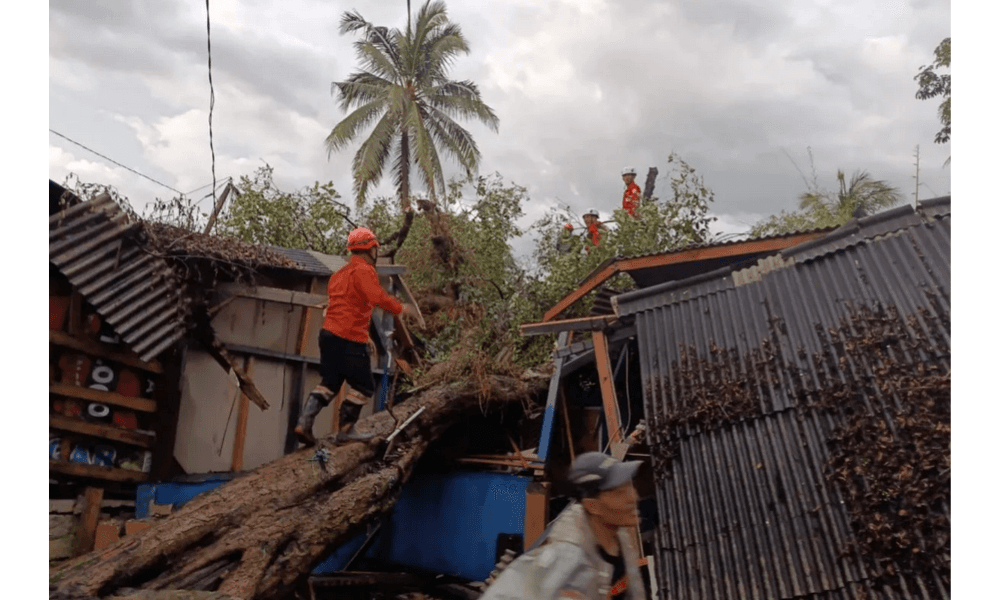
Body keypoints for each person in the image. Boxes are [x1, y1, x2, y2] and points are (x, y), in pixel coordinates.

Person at [294, 227, 416, 447]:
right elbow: (376, 296)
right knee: (364, 386)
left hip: (328, 334)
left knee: (330, 382)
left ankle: (304, 422)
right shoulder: (364, 271)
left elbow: (348, 306)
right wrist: (401, 308)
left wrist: (366, 337)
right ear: (370, 249)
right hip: (348, 338)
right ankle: (347, 430)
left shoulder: (339, 274)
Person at [479, 452, 648, 600]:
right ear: (593, 506)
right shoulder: (569, 563)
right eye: (620, 493)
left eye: (629, 488)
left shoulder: (618, 538)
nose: (633, 497)